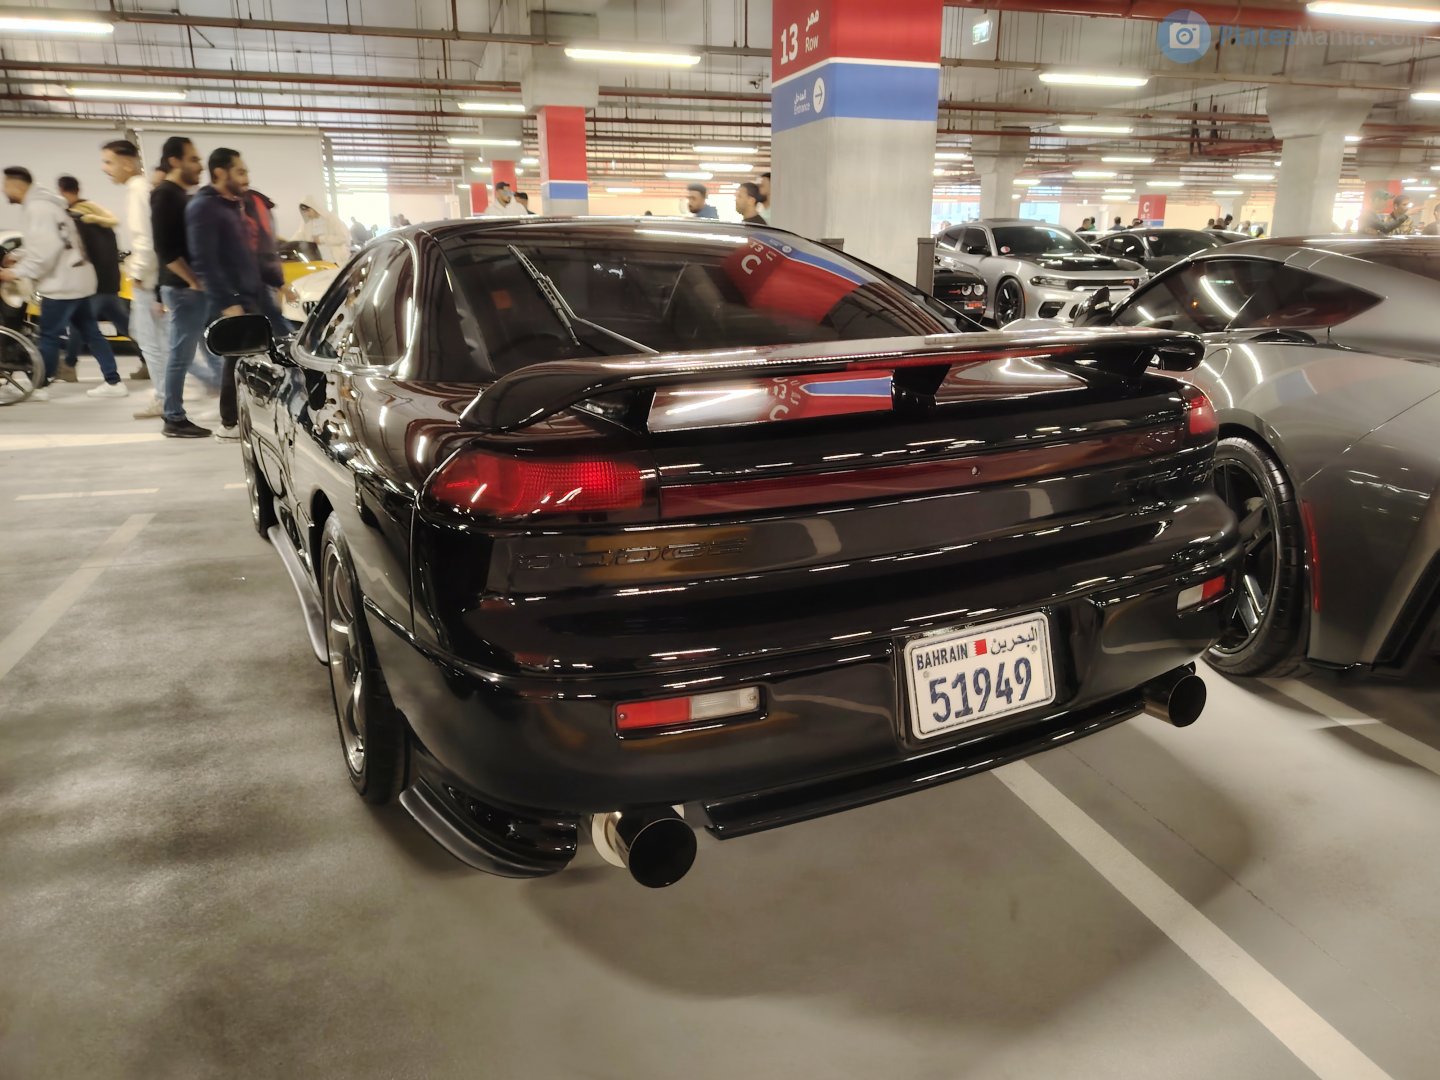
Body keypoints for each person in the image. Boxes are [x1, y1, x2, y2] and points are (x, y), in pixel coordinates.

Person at [0, 166, 126, 399]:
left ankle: (40, 386)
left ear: (17, 186)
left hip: (61, 284)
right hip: (79, 279)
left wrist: (15, 271)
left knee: (48, 335)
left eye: (5, 185)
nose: (4, 190)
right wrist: (18, 256)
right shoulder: (51, 206)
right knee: (90, 332)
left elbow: (47, 249)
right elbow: (47, 243)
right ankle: (114, 381)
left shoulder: (37, 209)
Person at [188, 148, 266, 442]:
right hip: (230, 298)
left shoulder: (230, 205)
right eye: (241, 171)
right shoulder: (204, 207)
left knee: (247, 358)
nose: (246, 178)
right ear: (220, 173)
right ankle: (230, 422)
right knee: (235, 359)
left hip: (247, 293)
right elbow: (205, 261)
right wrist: (228, 302)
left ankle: (240, 418)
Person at [153, 135, 219, 438]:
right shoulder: (165, 194)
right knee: (182, 354)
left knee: (215, 347)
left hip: (192, 288)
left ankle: (227, 401)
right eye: (193, 159)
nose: (199, 164)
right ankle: (173, 417)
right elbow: (165, 249)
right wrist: (193, 281)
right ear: (174, 161)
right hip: (184, 289)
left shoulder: (180, 194)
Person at [101, 139, 168, 418]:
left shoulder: (137, 190)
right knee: (155, 339)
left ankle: (165, 398)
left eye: (109, 162)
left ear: (127, 162)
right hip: (151, 278)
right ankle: (168, 395)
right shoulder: (141, 189)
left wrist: (139, 273)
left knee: (151, 341)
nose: (105, 169)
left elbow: (146, 239)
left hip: (147, 280)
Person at [56, 174, 130, 384]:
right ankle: (149, 361)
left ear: (63, 191)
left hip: (91, 284)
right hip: (111, 282)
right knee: (125, 326)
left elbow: (77, 254)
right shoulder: (102, 218)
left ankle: (71, 367)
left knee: (82, 327)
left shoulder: (76, 220)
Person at [296, 195, 351, 264]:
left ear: (315, 207)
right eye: (304, 211)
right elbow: (299, 236)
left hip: (336, 260)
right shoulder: (306, 224)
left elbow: (343, 238)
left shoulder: (332, 219)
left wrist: (322, 239)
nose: (307, 214)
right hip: (317, 262)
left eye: (308, 210)